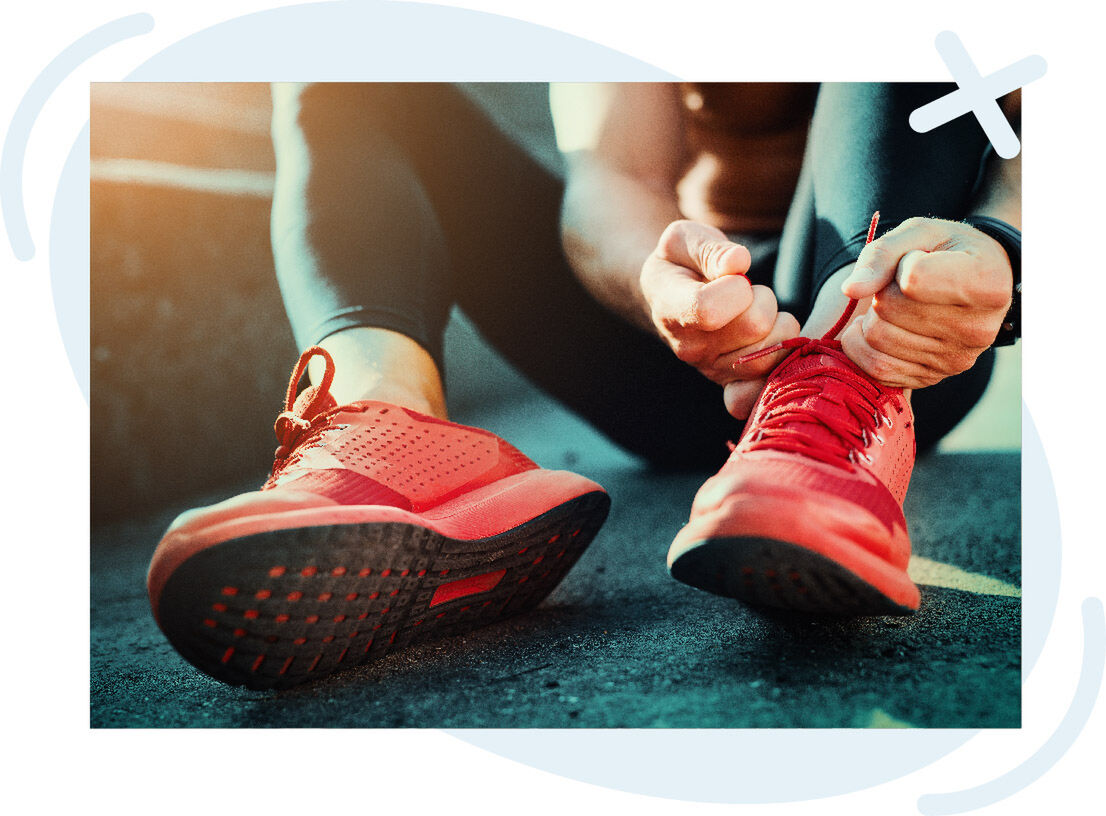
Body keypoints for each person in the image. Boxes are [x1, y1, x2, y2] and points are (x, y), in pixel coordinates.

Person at [146, 82, 1020, 689]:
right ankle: (390, 430)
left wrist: (1004, 251)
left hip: (903, 339)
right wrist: (662, 284)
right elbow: (611, 177)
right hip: (678, 340)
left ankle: (832, 412)